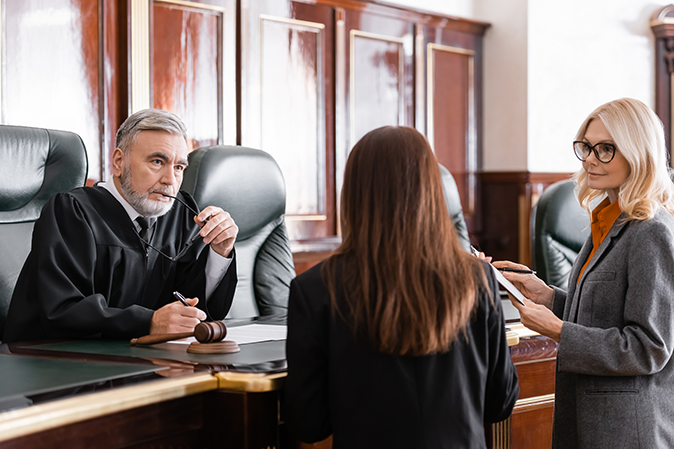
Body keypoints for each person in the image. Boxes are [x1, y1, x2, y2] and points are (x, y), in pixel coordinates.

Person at [285, 126, 519, 449]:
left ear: (352, 195)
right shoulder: (479, 279)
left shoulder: (314, 290)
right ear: (431, 192)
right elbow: (500, 402)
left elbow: (308, 423)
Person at [496, 98, 674, 448]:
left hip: (626, 431)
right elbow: (605, 314)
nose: (591, 158)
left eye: (606, 149)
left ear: (639, 155)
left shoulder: (651, 231)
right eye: (588, 147)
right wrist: (548, 297)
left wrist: (556, 329)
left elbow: (648, 348)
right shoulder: (607, 218)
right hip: (588, 419)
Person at [2, 109, 238, 343]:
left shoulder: (180, 215)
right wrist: (148, 323)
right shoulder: (73, 212)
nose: (170, 180)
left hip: (140, 362)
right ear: (119, 162)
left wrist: (219, 252)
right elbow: (62, 311)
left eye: (178, 167)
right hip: (54, 364)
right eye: (157, 161)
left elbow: (192, 304)